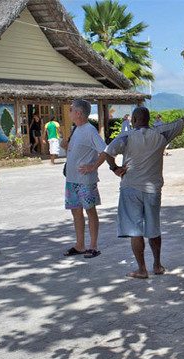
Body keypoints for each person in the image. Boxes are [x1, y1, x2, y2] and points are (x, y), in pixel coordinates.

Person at [79, 107, 184, 279]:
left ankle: (142, 269)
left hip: (130, 187)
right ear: (148, 119)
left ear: (134, 120)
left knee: (135, 230)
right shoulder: (161, 133)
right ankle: (157, 265)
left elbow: (108, 152)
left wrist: (115, 168)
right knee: (154, 228)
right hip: (153, 189)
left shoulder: (126, 136)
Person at [61, 99, 106, 259]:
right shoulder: (76, 129)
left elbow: (104, 151)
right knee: (76, 211)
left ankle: (93, 246)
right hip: (72, 179)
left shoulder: (90, 130)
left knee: (90, 210)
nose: (69, 112)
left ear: (78, 113)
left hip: (85, 180)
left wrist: (93, 166)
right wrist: (65, 145)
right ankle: (80, 245)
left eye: (71, 109)